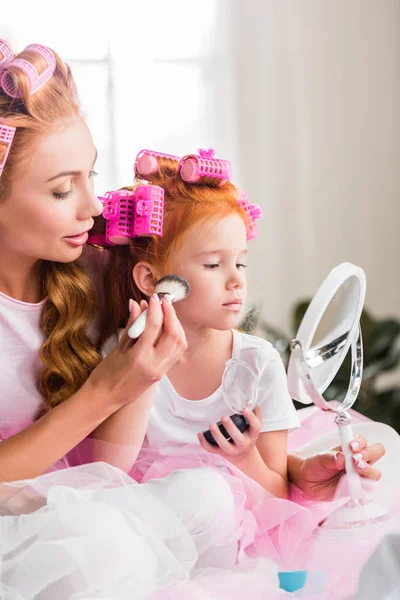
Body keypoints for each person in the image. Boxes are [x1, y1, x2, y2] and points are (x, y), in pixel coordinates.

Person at [0, 40, 387, 598]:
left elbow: (163, 431)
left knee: (201, 498)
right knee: (110, 548)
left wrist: (291, 471)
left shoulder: (93, 261)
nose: (91, 206)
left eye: (90, 175)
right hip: (33, 526)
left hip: (99, 498)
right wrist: (105, 393)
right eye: (62, 190)